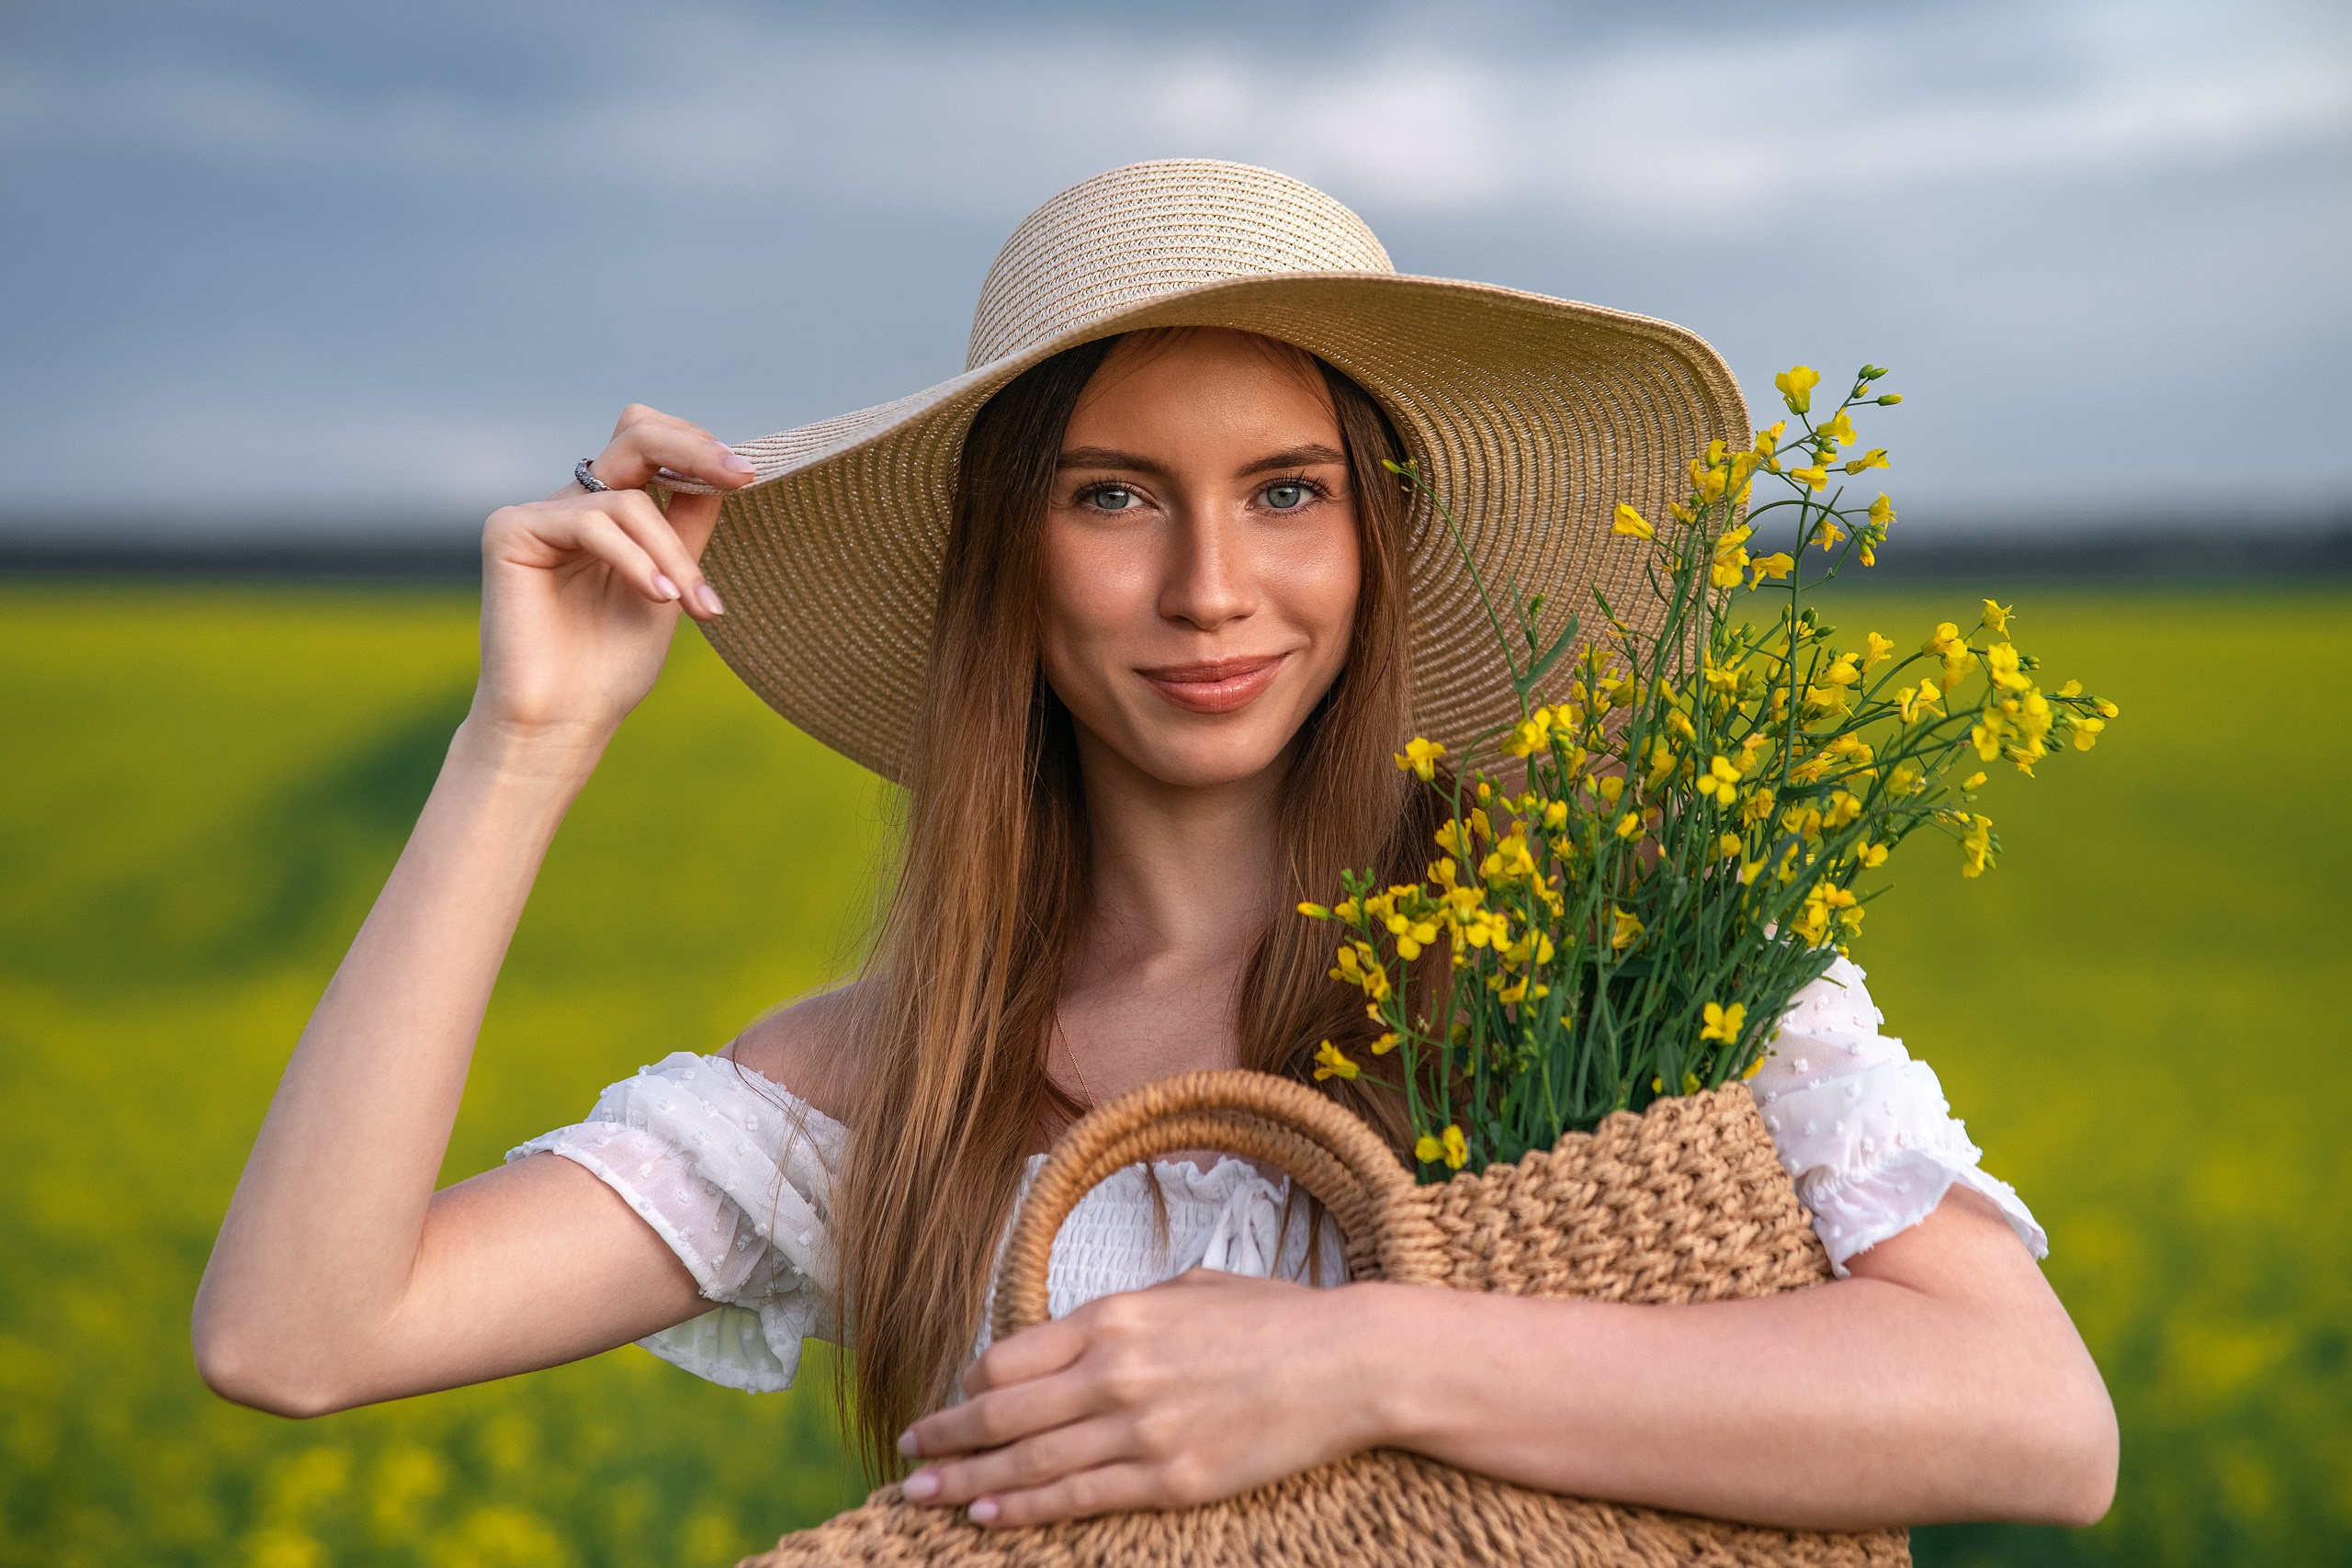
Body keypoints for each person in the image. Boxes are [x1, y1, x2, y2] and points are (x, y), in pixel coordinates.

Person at [194, 160, 2117, 1535]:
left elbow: (2032, 1421)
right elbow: (297, 1333)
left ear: (1376, 542)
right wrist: (523, 742)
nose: (1211, 588)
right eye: (1115, 495)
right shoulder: (884, 1075)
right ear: (1008, 558)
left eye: (1286, 492)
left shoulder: (1615, 966)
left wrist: (1354, 1362)